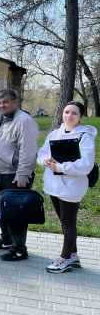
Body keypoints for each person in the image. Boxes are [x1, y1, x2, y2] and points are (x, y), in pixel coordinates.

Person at [37, 101, 96, 273]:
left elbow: (86, 164)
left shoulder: (84, 137)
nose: (69, 116)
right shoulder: (54, 134)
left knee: (69, 223)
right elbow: (42, 153)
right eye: (66, 112)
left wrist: (61, 167)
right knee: (64, 222)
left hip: (72, 186)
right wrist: (45, 161)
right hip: (54, 185)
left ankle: (64, 258)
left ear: (81, 117)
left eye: (74, 113)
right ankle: (73, 255)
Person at [0, 89, 39, 261]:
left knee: (16, 213)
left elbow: (29, 151)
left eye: (5, 102)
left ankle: (18, 249)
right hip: (0, 174)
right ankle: (7, 240)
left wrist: (23, 175)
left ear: (16, 102)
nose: (1, 106)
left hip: (15, 176)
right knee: (2, 209)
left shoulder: (24, 121)